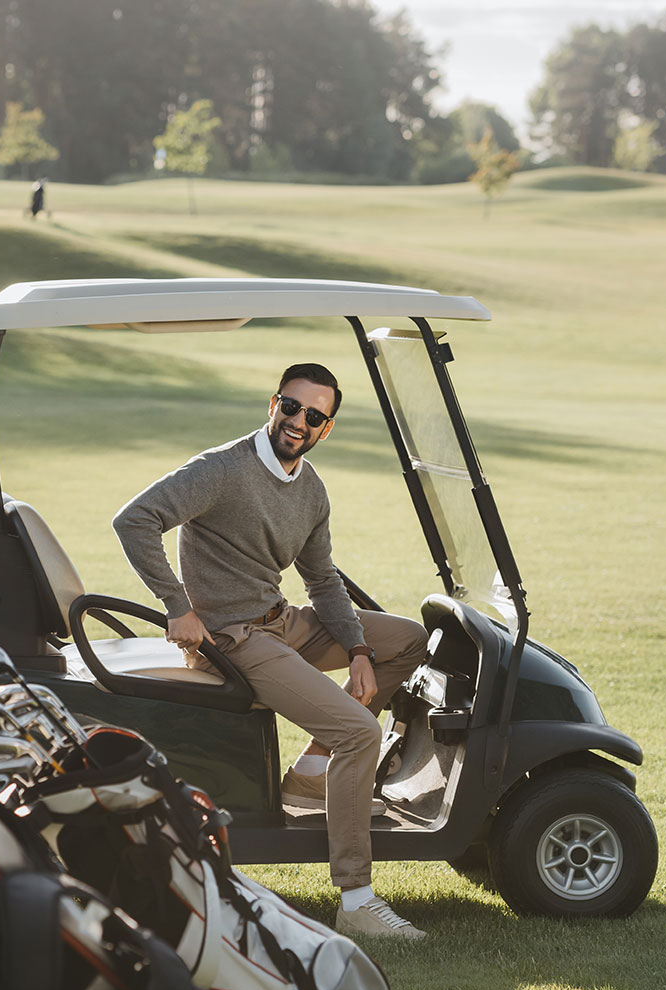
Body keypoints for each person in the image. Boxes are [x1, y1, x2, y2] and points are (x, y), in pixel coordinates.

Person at [112, 363, 430, 940]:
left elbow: (324, 581)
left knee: (405, 638)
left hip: (282, 622)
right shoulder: (221, 469)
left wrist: (359, 648)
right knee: (359, 732)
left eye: (313, 415)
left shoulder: (309, 490)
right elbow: (135, 519)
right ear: (272, 404)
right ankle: (356, 899)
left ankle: (312, 773)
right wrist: (177, 605)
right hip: (231, 641)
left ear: (325, 429)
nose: (296, 421)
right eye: (290, 406)